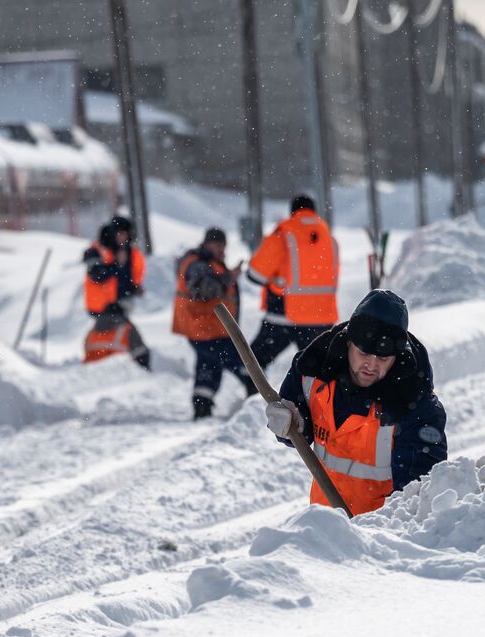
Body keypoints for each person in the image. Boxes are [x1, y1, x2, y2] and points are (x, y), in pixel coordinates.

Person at [265, 290, 447, 516]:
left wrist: (375, 532)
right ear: (348, 342)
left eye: (383, 358)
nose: (371, 365)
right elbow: (298, 427)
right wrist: (292, 425)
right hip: (323, 522)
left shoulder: (413, 402)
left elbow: (417, 497)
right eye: (364, 353)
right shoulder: (313, 368)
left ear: (398, 357)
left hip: (381, 531)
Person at [246, 194, 339, 370]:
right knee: (319, 371)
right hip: (321, 319)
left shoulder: (284, 232)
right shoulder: (329, 237)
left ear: (293, 211)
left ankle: (254, 388)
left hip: (283, 314)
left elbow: (255, 275)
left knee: (252, 365)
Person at [172, 227, 255, 418]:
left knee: (209, 366)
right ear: (207, 244)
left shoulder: (204, 262)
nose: (222, 250)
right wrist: (229, 277)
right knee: (242, 362)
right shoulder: (198, 264)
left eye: (223, 246)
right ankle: (257, 397)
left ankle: (202, 406)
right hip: (206, 329)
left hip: (207, 329)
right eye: (218, 245)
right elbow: (205, 290)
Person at [83, 215, 150, 368]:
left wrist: (135, 289)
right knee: (129, 337)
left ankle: (112, 363)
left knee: (116, 337)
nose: (122, 237)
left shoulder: (132, 254)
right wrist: (115, 265)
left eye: (125, 233)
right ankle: (139, 365)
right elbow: (96, 275)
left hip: (122, 307)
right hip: (103, 308)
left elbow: (131, 279)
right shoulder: (97, 250)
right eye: (119, 233)